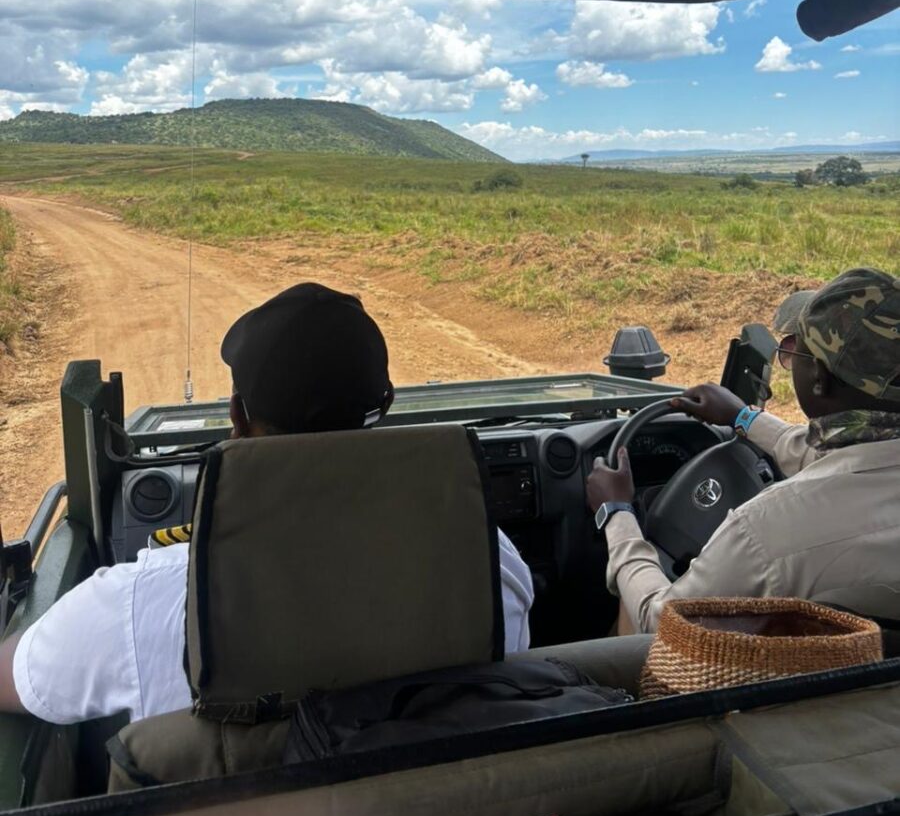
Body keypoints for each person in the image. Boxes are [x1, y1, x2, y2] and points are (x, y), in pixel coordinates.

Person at [0, 283, 534, 724]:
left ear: (238, 418)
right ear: (384, 406)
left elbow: (18, 677)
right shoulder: (490, 567)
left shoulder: (148, 600)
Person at [587, 267, 900, 634]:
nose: (788, 358)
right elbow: (840, 459)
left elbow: (661, 625)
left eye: (792, 350)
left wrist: (616, 514)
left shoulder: (765, 531)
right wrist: (744, 417)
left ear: (818, 377)